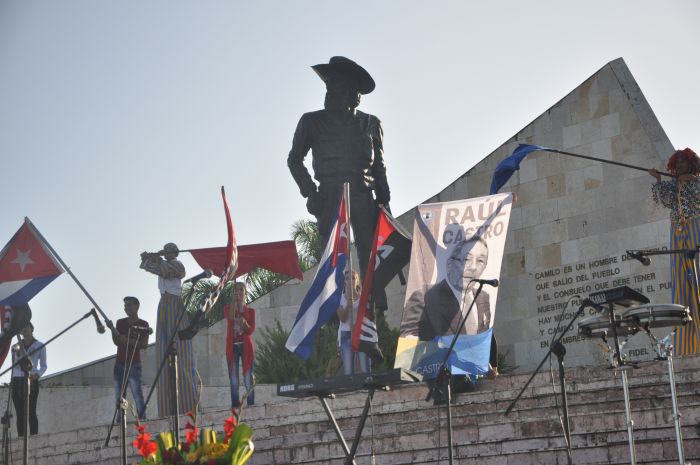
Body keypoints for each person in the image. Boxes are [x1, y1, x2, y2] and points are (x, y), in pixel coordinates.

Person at [287, 56, 390, 282]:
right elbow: (294, 159)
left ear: (352, 93)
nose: (329, 91)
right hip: (329, 195)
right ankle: (334, 314)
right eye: (328, 85)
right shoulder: (311, 122)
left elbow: (379, 166)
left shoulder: (372, 123)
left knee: (370, 258)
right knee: (331, 258)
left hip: (363, 195)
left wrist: (384, 201)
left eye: (336, 86)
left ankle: (372, 311)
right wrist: (310, 192)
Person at [649, 147, 700, 355]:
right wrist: (659, 180)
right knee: (681, 284)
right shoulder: (673, 185)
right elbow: (664, 200)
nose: (680, 166)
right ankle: (688, 346)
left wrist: (691, 180)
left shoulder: (697, 182)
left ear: (691, 164)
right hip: (678, 234)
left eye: (683, 162)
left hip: (696, 230)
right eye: (677, 163)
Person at [140, 242, 199, 417]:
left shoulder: (177, 265)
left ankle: (189, 406)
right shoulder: (163, 262)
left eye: (168, 249)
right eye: (164, 249)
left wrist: (156, 258)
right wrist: (148, 258)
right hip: (163, 304)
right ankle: (166, 410)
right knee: (163, 355)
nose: (165, 252)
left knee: (181, 353)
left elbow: (165, 270)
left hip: (175, 303)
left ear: (173, 252)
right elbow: (149, 268)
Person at [401, 236, 491, 340]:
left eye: (480, 260)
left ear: (485, 266)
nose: (473, 267)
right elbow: (408, 339)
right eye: (467, 259)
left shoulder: (483, 297)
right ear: (450, 264)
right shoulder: (425, 296)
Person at [112, 296, 149, 419]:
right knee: (119, 395)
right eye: (125, 306)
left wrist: (127, 340)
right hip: (120, 363)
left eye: (129, 305)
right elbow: (116, 342)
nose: (126, 308)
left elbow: (144, 344)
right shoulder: (120, 322)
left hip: (134, 363)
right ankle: (120, 421)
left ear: (137, 306)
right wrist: (112, 329)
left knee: (137, 393)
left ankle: (142, 420)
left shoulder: (143, 324)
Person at [11, 323, 46, 436]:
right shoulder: (16, 346)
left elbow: (44, 365)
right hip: (17, 379)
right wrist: (19, 355)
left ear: (32, 328)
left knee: (31, 411)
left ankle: (34, 437)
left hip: (31, 379)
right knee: (20, 413)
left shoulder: (40, 345)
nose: (24, 328)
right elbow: (14, 365)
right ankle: (21, 438)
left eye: (27, 326)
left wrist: (37, 374)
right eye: (22, 327)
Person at [223, 282, 255, 407]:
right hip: (232, 347)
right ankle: (235, 405)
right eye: (236, 290)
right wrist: (234, 303)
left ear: (245, 293)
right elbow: (230, 317)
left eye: (241, 290)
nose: (239, 292)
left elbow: (250, 330)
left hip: (246, 347)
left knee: (248, 379)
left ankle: (251, 404)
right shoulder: (227, 308)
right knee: (234, 380)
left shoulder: (251, 311)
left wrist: (242, 311)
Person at [337, 270, 370, 375]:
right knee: (348, 371)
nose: (350, 280)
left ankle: (368, 389)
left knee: (365, 368)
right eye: (347, 278)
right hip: (346, 334)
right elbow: (342, 318)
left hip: (361, 334)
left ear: (357, 280)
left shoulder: (363, 298)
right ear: (344, 282)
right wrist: (348, 305)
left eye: (353, 278)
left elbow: (368, 316)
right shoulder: (340, 298)